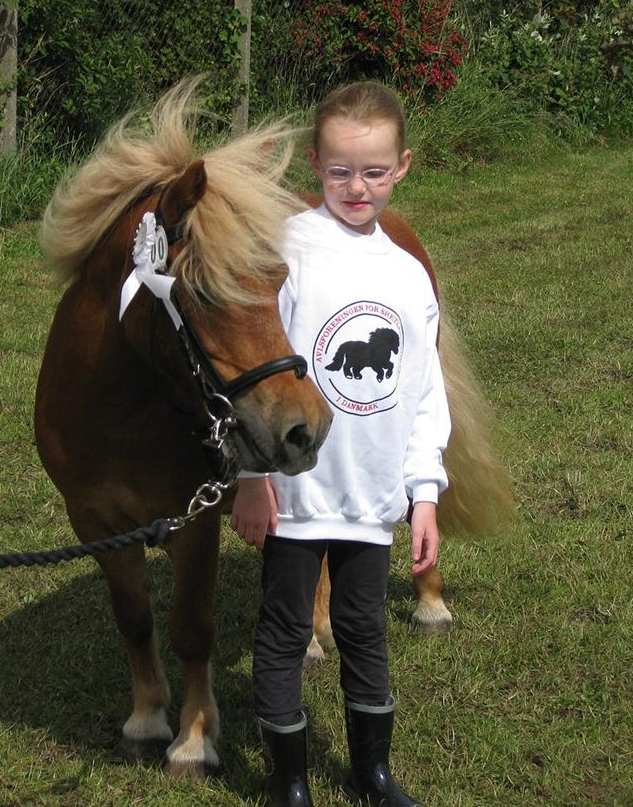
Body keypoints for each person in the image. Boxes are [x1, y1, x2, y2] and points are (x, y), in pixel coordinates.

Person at [231, 81, 448, 807]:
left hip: (371, 496)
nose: (357, 187)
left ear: (404, 167)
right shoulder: (287, 253)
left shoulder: (409, 275)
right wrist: (251, 477)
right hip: (297, 493)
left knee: (363, 631)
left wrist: (423, 494)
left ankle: (372, 773)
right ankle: (289, 783)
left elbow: (424, 394)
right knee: (286, 629)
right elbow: (249, 370)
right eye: (339, 171)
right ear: (316, 167)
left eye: (375, 170)